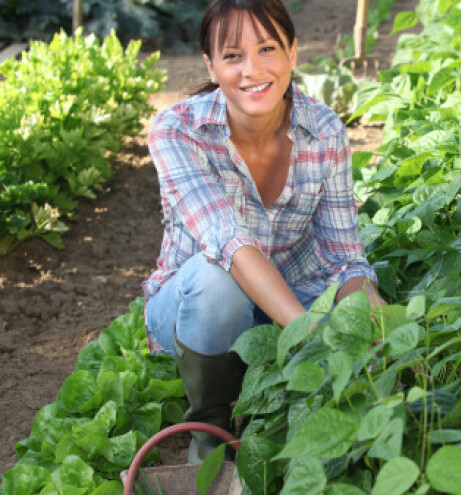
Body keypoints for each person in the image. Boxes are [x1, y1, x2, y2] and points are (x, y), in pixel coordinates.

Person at [143, 0, 385, 463]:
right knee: (218, 280)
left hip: (286, 299)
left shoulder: (324, 130)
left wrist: (371, 312)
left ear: (293, 52)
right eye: (233, 55)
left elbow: (345, 256)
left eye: (267, 48)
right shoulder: (179, 131)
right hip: (194, 311)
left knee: (364, 302)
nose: (252, 69)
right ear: (211, 66)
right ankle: (211, 435)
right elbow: (230, 244)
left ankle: (267, 403)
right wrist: (307, 333)